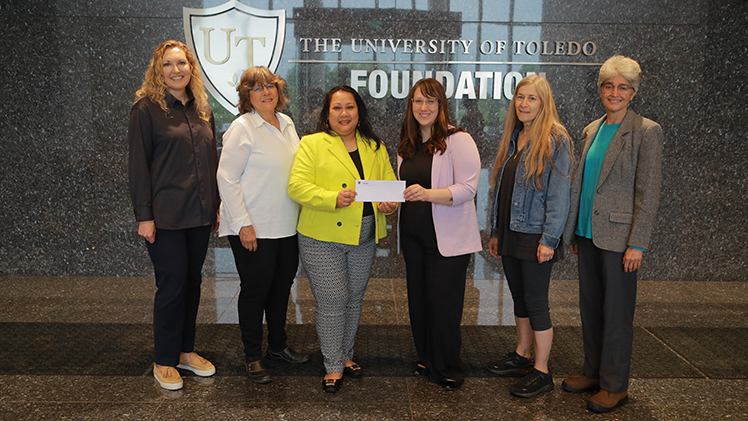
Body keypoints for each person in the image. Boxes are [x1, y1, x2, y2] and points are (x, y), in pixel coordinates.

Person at [562, 55, 663, 413]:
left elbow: (647, 193)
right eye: (608, 86)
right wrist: (575, 231)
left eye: (623, 87)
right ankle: (593, 372)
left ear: (633, 92)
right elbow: (582, 185)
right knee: (591, 309)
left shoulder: (646, 132)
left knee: (617, 314)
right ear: (600, 89)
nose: (614, 93)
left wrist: (637, 242)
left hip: (620, 240)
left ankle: (615, 385)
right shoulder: (592, 128)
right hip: (588, 235)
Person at [287, 86, 398, 393]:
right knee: (333, 298)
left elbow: (388, 185)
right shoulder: (312, 144)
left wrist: (389, 203)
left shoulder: (374, 146)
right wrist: (332, 198)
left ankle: (346, 355)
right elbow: (297, 187)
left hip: (364, 235)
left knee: (354, 297)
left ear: (359, 111)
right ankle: (332, 363)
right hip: (321, 236)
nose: (344, 114)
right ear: (327, 114)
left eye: (349, 107)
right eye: (337, 108)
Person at [128, 40, 219, 391]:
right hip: (164, 217)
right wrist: (144, 216)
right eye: (168, 64)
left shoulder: (203, 110)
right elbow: (138, 167)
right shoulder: (146, 110)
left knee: (193, 284)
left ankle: (185, 351)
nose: (176, 70)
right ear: (157, 70)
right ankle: (164, 359)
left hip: (199, 213)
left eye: (181, 63)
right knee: (172, 285)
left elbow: (210, 162)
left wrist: (213, 205)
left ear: (191, 69)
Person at [216, 67, 309, 385]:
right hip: (253, 227)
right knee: (256, 292)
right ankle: (253, 355)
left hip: (286, 224)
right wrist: (243, 224)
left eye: (270, 85)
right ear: (247, 96)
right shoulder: (243, 128)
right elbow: (225, 177)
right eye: (257, 88)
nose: (265, 91)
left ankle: (278, 347)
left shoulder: (286, 123)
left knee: (281, 290)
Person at [485, 75, 573, 398]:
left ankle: (542, 370)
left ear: (544, 102)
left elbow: (558, 195)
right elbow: (500, 191)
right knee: (519, 299)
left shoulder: (556, 139)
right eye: (520, 97)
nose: (524, 104)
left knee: (536, 303)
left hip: (536, 235)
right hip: (510, 232)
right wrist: (495, 232)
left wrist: (550, 239)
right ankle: (522, 356)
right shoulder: (515, 136)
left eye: (531, 98)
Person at [397, 78, 481, 391]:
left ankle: (448, 366)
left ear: (441, 105)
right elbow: (401, 187)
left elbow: (468, 188)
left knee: (443, 304)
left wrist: (428, 194)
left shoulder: (458, 139)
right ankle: (426, 359)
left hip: (448, 239)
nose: (424, 107)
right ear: (411, 106)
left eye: (430, 101)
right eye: (418, 101)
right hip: (414, 236)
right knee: (419, 301)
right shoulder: (407, 143)